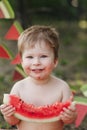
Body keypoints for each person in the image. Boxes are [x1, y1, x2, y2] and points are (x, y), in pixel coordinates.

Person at [0, 25, 77, 130]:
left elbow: (68, 121)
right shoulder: (19, 87)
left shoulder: (62, 88)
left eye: (43, 56)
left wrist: (70, 116)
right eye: (30, 57)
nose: (36, 62)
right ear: (22, 62)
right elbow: (14, 121)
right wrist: (8, 114)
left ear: (55, 61)